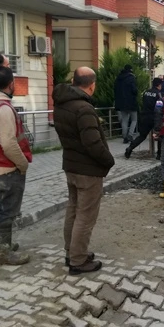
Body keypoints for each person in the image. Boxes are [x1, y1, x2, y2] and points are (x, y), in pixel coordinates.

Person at [53, 67, 115, 275]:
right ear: (92, 85)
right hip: (88, 171)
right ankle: (78, 261)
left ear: (74, 81)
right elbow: (93, 143)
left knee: (73, 210)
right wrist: (109, 160)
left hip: (71, 166)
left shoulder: (61, 104)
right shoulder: (84, 109)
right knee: (85, 216)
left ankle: (72, 252)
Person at [0, 66, 31, 265]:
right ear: (11, 84)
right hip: (6, 169)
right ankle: (3, 252)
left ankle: (1, 246)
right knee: (6, 212)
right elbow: (8, 143)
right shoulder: (4, 109)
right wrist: (22, 163)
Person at [125, 78, 163, 160]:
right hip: (154, 117)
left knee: (142, 136)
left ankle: (130, 148)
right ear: (159, 85)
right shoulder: (158, 94)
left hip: (144, 116)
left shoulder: (146, 92)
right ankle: (159, 154)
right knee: (160, 135)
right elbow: (160, 106)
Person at [113, 65, 138, 144]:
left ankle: (124, 137)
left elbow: (115, 90)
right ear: (130, 70)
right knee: (134, 119)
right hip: (131, 102)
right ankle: (130, 135)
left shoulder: (118, 79)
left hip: (121, 103)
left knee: (124, 120)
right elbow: (134, 90)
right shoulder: (131, 78)